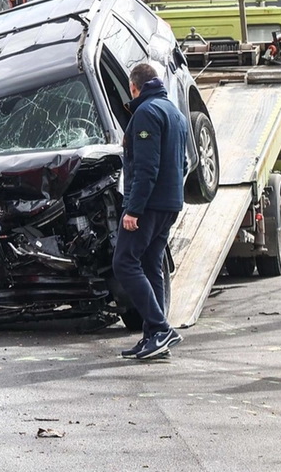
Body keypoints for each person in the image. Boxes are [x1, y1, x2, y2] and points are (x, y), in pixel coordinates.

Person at [116, 63, 188, 361]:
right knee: (150, 265)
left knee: (124, 263)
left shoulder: (146, 112)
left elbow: (146, 168)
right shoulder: (175, 113)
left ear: (135, 87)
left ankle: (159, 328)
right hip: (170, 204)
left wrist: (133, 209)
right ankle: (153, 338)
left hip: (148, 205)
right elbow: (183, 163)